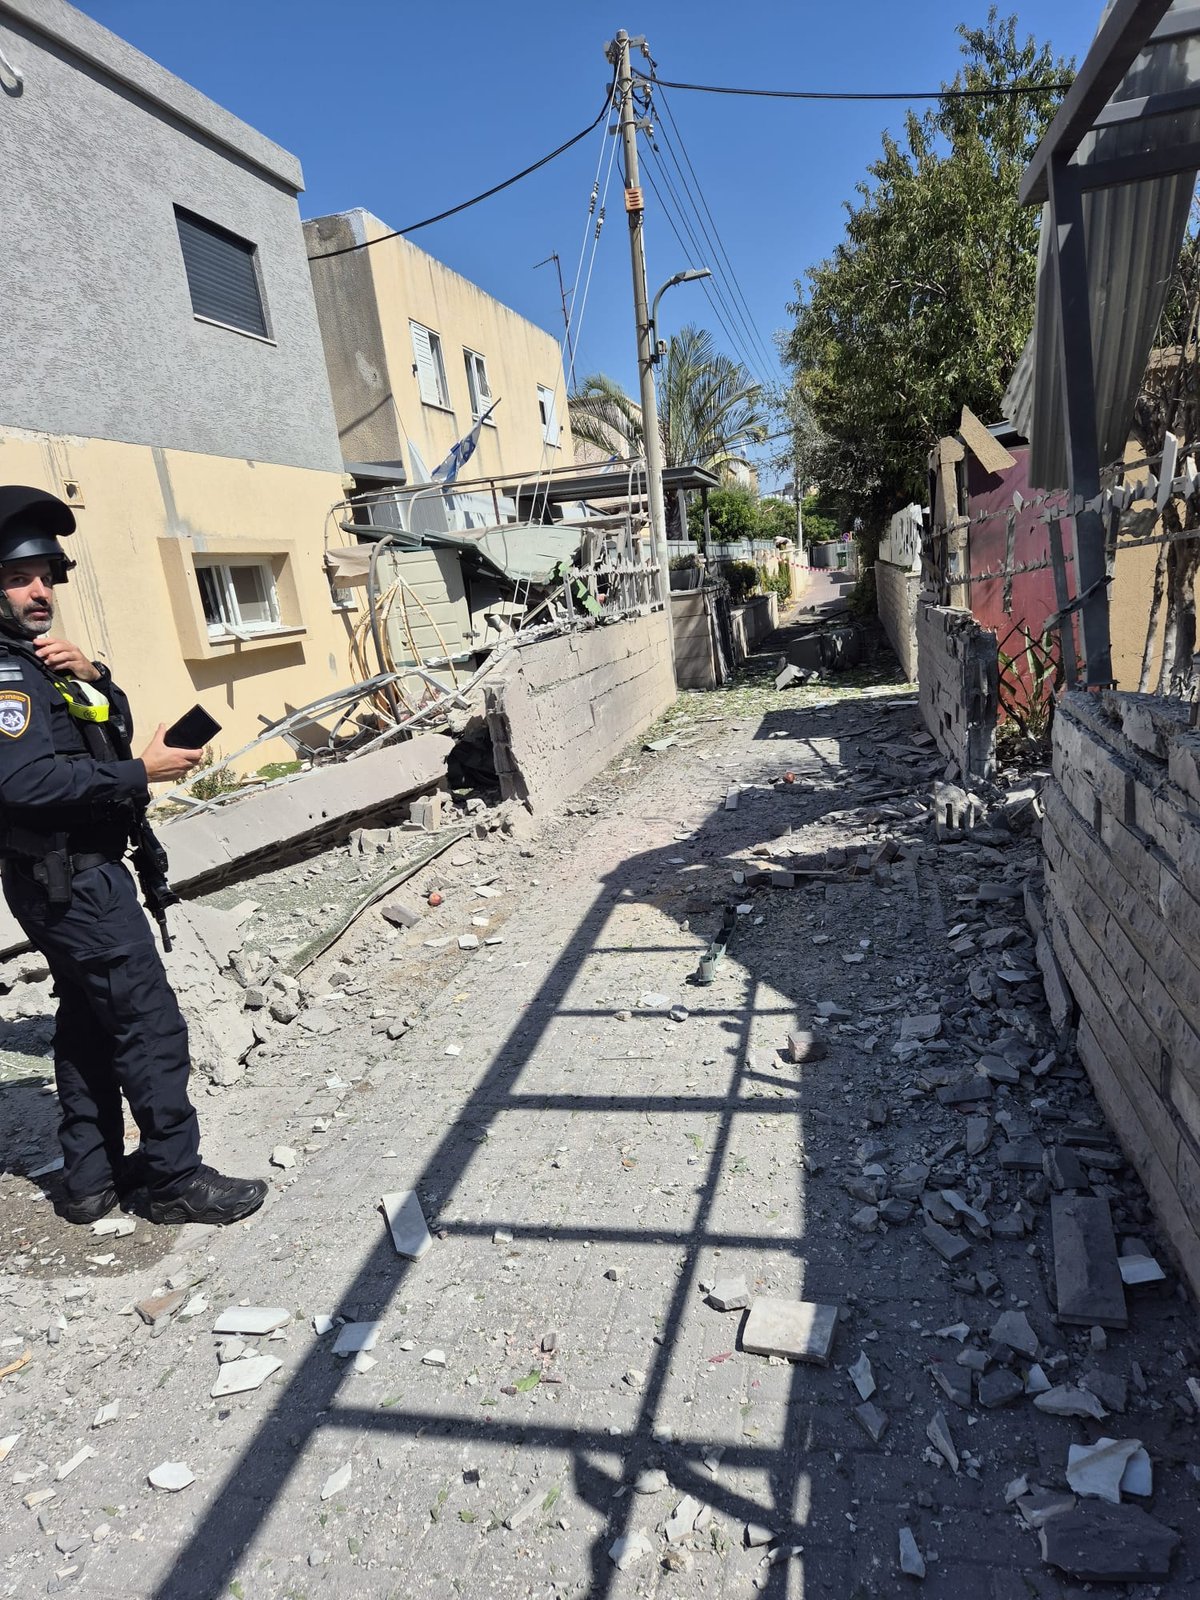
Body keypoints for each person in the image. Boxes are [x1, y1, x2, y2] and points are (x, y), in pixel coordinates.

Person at [0, 486, 267, 1227]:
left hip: (69, 875)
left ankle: (89, 1180)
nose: (39, 590)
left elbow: (96, 728)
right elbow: (22, 780)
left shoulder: (39, 663)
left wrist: (94, 677)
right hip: (74, 880)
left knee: (88, 1023)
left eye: (48, 575)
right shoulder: (6, 674)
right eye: (18, 578)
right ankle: (175, 1179)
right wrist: (141, 772)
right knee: (148, 1026)